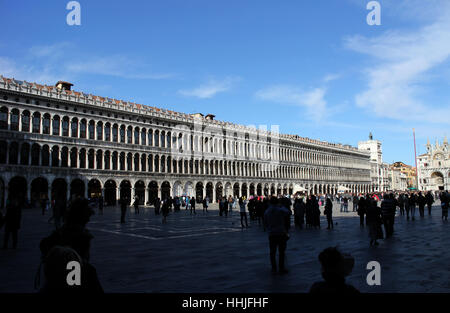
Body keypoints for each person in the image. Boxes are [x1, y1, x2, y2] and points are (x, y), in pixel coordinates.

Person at [38, 198, 103, 293]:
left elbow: (44, 244)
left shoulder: (65, 230)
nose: (88, 219)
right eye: (87, 216)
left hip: (59, 273)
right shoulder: (78, 234)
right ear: (81, 216)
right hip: (73, 267)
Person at [264, 197, 291, 274]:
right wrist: (281, 206)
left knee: (272, 252)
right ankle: (281, 268)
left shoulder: (267, 211)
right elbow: (288, 212)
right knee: (281, 252)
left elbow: (265, 223)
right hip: (281, 233)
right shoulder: (280, 210)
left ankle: (273, 268)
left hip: (272, 234)